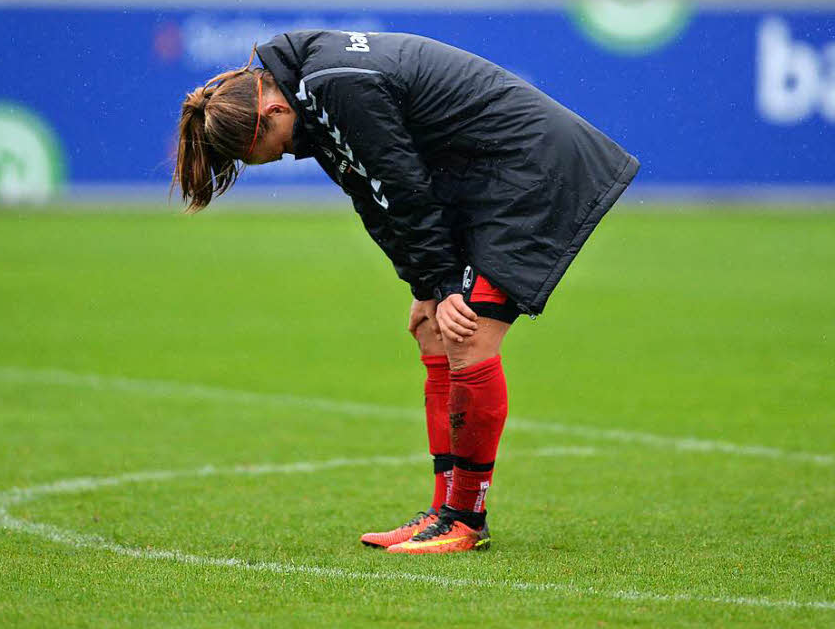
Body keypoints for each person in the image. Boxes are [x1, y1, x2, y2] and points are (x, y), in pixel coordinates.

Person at [174, 30, 639, 555]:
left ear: (273, 110)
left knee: (468, 338)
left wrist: (445, 285)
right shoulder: (314, 96)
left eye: (271, 149)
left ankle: (465, 519)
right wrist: (425, 289)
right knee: (434, 335)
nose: (283, 156)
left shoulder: (335, 86)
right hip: (485, 179)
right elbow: (371, 197)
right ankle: (443, 513)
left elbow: (401, 183)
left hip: (532, 170)